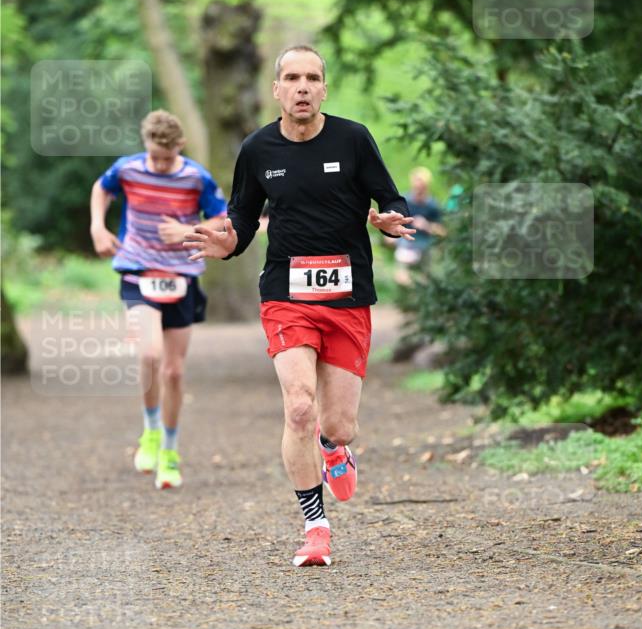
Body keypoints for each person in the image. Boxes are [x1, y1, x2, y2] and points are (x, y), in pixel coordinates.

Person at [184, 45, 414, 567]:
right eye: (292, 78)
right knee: (299, 407)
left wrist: (389, 218)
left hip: (347, 296)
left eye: (312, 77)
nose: (302, 86)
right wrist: (228, 242)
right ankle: (316, 528)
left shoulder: (353, 139)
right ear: (277, 90)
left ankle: (334, 448)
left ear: (324, 89)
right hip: (286, 295)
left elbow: (391, 198)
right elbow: (243, 217)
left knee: (339, 424)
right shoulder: (257, 149)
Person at [90, 109, 227, 489]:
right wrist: (97, 226)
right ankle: (150, 430)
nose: (162, 164)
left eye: (168, 157)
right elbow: (101, 189)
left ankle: (169, 450)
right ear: (145, 145)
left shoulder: (196, 176)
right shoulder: (128, 169)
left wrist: (187, 230)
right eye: (155, 156)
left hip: (181, 276)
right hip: (137, 271)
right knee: (149, 355)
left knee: (174, 372)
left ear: (180, 145)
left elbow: (222, 216)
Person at [392, 167, 445, 287]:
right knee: (402, 274)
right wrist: (391, 234)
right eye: (416, 185)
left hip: (424, 244)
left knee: (425, 277)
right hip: (406, 242)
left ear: (426, 186)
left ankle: (422, 286)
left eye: (421, 186)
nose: (418, 188)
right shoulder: (405, 201)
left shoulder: (432, 205)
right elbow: (394, 222)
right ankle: (405, 285)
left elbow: (442, 231)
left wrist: (427, 225)